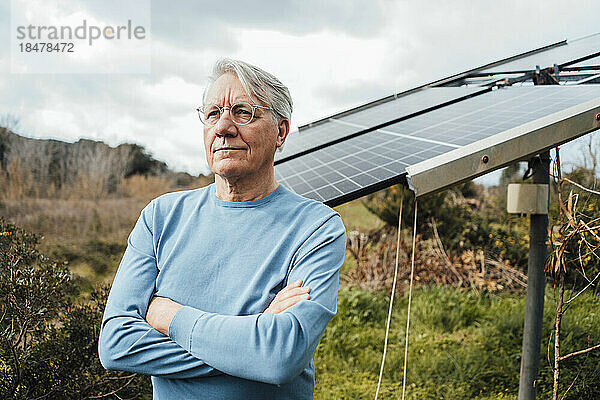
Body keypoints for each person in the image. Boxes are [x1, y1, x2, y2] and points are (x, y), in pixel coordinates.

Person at [98, 58, 347, 399]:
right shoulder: (161, 217)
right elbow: (116, 345)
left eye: (243, 112)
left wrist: (169, 316)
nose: (223, 127)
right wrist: (251, 340)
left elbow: (279, 358)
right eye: (213, 113)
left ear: (281, 131)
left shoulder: (316, 227)